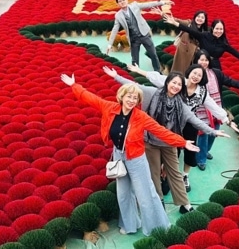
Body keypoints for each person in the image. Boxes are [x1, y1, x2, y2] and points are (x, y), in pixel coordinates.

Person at [60, 73, 199, 236]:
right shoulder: (110, 108)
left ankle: (157, 228)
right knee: (124, 195)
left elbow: (161, 131)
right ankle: (130, 225)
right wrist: (74, 85)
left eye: (135, 98)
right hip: (119, 156)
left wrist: (183, 142)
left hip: (136, 159)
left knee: (146, 196)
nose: (132, 100)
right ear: (122, 96)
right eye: (129, 96)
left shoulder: (141, 117)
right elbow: (90, 98)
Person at [102, 66, 229, 214]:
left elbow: (194, 120)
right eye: (173, 83)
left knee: (174, 172)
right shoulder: (153, 93)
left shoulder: (181, 104)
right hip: (151, 142)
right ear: (167, 82)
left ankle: (184, 204)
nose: (175, 86)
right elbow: (134, 87)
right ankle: (159, 202)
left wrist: (213, 131)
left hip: (170, 143)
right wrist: (116, 76)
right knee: (154, 173)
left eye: (179, 85)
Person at [192, 49, 239, 169]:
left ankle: (205, 151)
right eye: (201, 60)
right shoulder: (193, 74)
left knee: (215, 132)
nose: (203, 62)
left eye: (206, 60)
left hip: (216, 108)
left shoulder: (216, 73)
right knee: (203, 134)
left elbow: (229, 81)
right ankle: (201, 159)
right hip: (200, 110)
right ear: (196, 60)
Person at [164, 15, 239, 72]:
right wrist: (175, 23)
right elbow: (189, 30)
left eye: (221, 29)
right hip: (201, 64)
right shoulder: (204, 36)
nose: (219, 31)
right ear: (212, 29)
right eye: (217, 29)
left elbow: (236, 53)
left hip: (214, 67)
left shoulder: (224, 43)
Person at [106, 0, 173, 72]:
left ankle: (157, 72)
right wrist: (109, 44)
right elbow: (115, 29)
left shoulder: (135, 5)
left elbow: (148, 4)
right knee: (134, 59)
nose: (122, 2)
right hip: (133, 39)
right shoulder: (118, 15)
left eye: (123, 0)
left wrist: (163, 2)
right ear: (118, 4)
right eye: (120, 1)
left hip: (144, 34)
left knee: (153, 54)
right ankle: (136, 74)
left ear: (127, 0)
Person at [169, 10, 208, 75]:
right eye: (198, 16)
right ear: (195, 17)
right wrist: (162, 14)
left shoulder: (205, 31)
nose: (200, 19)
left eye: (202, 17)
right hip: (183, 52)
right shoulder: (189, 23)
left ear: (205, 20)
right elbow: (177, 21)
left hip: (194, 55)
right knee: (179, 70)